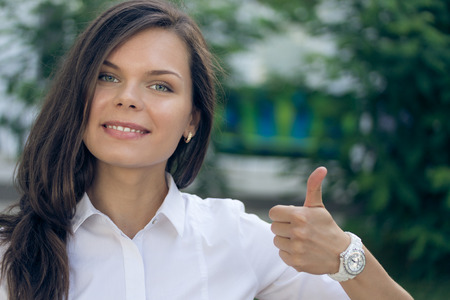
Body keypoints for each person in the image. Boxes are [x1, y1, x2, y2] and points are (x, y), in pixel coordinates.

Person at [0, 0, 412, 299]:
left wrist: (345, 253)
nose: (127, 98)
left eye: (160, 85)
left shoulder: (234, 237)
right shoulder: (12, 252)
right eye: (107, 77)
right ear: (80, 96)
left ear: (192, 120)